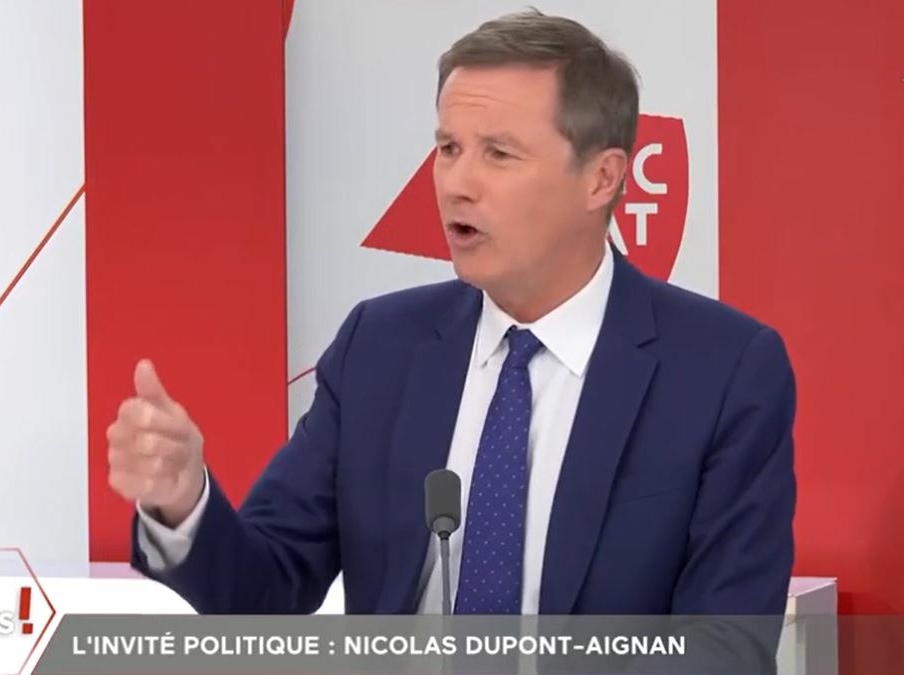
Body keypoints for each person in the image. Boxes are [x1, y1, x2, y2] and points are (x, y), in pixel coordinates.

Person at [108, 10, 795, 626]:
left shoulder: (723, 373)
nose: (456, 184)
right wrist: (184, 503)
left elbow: (726, 648)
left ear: (602, 178)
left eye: (499, 153)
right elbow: (264, 590)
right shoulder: (380, 347)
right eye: (448, 148)